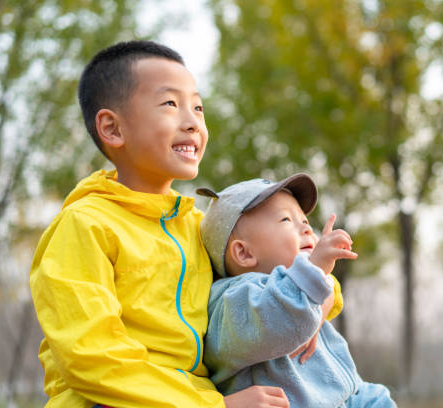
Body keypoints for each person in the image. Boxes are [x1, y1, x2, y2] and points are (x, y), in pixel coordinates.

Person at [30, 40, 292, 408]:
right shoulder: (84, 226)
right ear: (112, 128)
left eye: (198, 108)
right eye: (170, 104)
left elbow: (267, 272)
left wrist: (311, 303)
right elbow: (92, 358)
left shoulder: (199, 227)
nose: (192, 122)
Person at [198, 174, 398, 408]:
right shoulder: (233, 299)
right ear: (244, 253)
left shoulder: (303, 291)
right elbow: (276, 319)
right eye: (286, 220)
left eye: (304, 220)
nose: (305, 228)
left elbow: (343, 384)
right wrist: (313, 269)